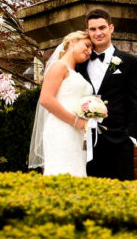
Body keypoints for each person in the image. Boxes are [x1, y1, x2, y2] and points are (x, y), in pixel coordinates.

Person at [76, 8, 137, 180]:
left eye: (102, 27)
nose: (98, 33)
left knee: (122, 191)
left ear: (111, 28)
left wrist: (131, 136)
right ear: (87, 32)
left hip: (120, 141)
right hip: (85, 142)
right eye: (93, 29)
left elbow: (136, 102)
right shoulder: (79, 64)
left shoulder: (130, 62)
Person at [28, 31, 94, 176]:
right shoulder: (59, 66)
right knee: (63, 172)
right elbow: (46, 99)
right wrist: (76, 122)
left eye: (91, 49)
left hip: (77, 132)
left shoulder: (75, 72)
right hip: (61, 129)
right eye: (87, 45)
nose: (90, 51)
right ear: (72, 42)